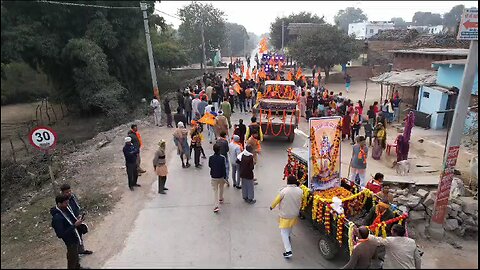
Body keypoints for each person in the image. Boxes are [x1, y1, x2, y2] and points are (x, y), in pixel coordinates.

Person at [269, 175, 303, 259]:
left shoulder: (284, 191)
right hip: (294, 213)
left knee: (283, 232)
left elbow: (276, 200)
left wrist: (272, 207)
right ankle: (288, 237)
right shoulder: (300, 191)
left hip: (285, 215)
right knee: (290, 227)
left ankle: (288, 251)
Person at [51, 194, 86, 269]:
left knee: (76, 255)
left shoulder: (65, 209)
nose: (67, 205)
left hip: (75, 235)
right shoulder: (57, 218)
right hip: (70, 240)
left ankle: (78, 267)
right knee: (72, 258)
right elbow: (60, 234)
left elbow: (70, 220)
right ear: (59, 204)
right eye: (66, 203)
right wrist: (74, 225)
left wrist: (78, 220)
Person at [60, 184, 93, 255]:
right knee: (73, 238)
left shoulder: (73, 197)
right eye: (66, 192)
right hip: (70, 222)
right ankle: (75, 255)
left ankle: (81, 250)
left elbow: (77, 206)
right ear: (62, 193)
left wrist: (80, 215)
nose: (69, 193)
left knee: (79, 235)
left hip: (77, 219)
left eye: (69, 191)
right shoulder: (62, 201)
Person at [209, 143, 227, 213]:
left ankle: (216, 206)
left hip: (214, 176)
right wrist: (225, 176)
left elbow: (210, 165)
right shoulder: (222, 158)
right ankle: (221, 198)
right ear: (219, 150)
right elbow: (224, 168)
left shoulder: (211, 157)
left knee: (215, 191)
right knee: (221, 187)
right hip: (221, 176)